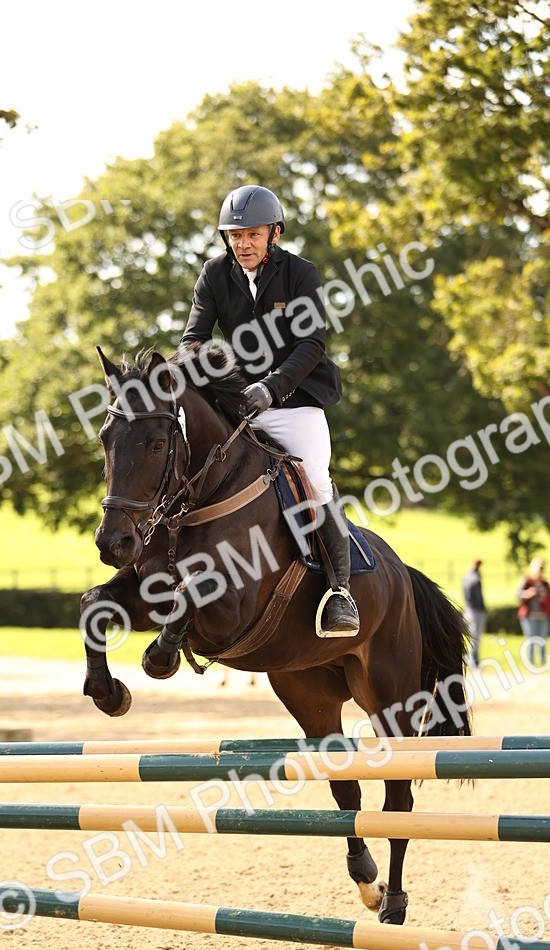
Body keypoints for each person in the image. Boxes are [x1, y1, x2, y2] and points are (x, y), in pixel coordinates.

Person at [179, 184, 359, 638]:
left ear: (273, 234)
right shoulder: (214, 274)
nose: (243, 244)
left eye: (252, 235)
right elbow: (193, 338)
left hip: (295, 401)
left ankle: (340, 591)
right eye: (235, 236)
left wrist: (271, 387)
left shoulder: (300, 274)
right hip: (237, 403)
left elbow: (311, 344)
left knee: (315, 479)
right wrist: (203, 367)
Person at [516, 558, 550, 666]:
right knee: (530, 639)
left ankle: (543, 662)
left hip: (543, 616)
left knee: (542, 640)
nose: (540, 572)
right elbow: (518, 594)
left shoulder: (545, 584)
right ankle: (530, 663)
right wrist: (527, 594)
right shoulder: (527, 581)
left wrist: (544, 598)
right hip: (529, 616)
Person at [461, 558, 486, 667]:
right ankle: (474, 660)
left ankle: (468, 658)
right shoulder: (476, 579)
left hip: (468, 609)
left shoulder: (466, 577)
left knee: (470, 635)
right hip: (476, 610)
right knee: (476, 636)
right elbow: (478, 596)